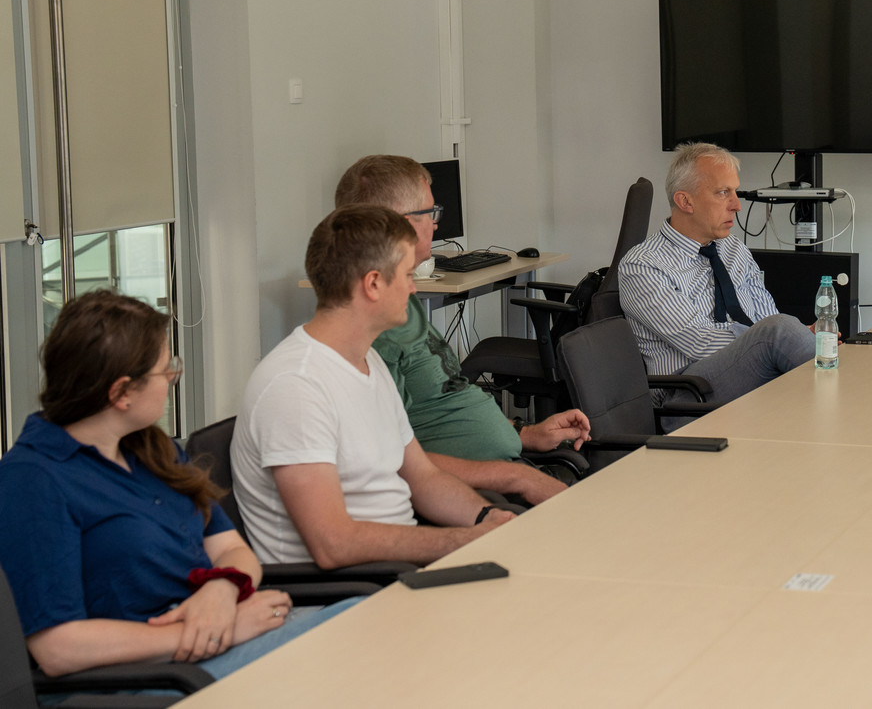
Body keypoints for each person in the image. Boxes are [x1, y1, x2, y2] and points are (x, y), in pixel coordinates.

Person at [0, 291, 357, 682]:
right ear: (121, 393)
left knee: (365, 622)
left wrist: (221, 590)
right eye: (164, 369)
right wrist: (214, 632)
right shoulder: (33, 480)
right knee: (356, 647)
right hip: (151, 678)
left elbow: (232, 550)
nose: (172, 377)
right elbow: (58, 649)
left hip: (214, 644)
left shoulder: (154, 450)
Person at [231, 205, 519, 567]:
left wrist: (488, 518)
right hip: (349, 590)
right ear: (373, 284)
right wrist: (465, 542)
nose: (413, 288)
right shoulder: (295, 387)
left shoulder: (370, 362)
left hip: (395, 570)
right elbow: (333, 545)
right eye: (407, 275)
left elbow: (423, 478)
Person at [334, 155, 589, 503]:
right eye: (431, 212)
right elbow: (392, 461)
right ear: (401, 225)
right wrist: (514, 477)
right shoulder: (374, 327)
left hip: (508, 469)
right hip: (477, 492)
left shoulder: (401, 298)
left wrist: (527, 433)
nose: (436, 224)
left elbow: (448, 397)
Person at [618, 142, 813, 408]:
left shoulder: (733, 248)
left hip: (751, 371)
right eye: (723, 193)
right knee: (780, 333)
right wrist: (776, 339)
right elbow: (699, 342)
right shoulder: (643, 265)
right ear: (685, 201)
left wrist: (798, 338)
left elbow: (767, 316)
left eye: (735, 191)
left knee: (803, 339)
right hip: (689, 394)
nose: (737, 205)